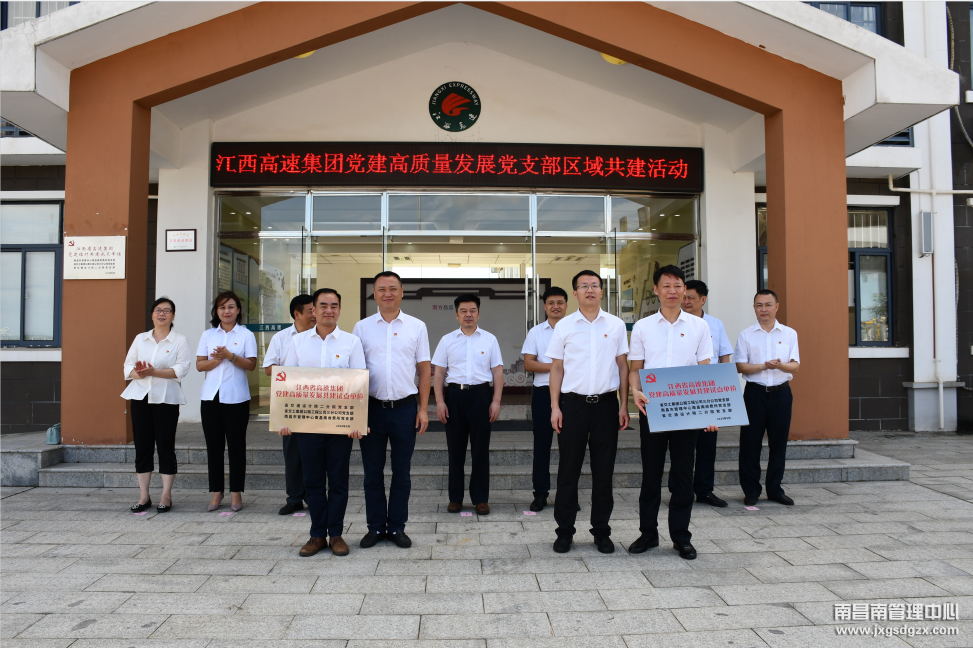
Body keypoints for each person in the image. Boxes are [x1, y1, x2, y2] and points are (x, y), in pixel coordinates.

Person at [628, 265, 717, 561]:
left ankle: (681, 537)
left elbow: (705, 370)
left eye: (677, 285)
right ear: (656, 290)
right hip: (653, 408)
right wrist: (634, 391)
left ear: (684, 290)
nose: (672, 291)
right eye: (666, 285)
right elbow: (635, 369)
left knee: (683, 475)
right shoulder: (643, 327)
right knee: (651, 474)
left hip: (686, 410)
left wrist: (709, 411)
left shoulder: (699, 327)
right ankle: (648, 534)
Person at [278, 288, 366, 557]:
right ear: (314, 310)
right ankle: (317, 535)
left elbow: (359, 382)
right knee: (313, 481)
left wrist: (358, 421)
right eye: (323, 305)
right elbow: (287, 380)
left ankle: (336, 534)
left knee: (338, 481)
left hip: (340, 424)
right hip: (308, 424)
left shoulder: (351, 342)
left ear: (339, 309)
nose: (329, 310)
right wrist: (284, 419)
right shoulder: (298, 342)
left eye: (334, 305)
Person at [546, 270, 629, 554]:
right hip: (573, 406)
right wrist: (555, 407)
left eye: (594, 285)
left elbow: (623, 366)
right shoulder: (564, 326)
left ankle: (601, 531)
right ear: (575, 293)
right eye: (584, 286)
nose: (590, 290)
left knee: (603, 472)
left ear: (602, 291)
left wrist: (623, 404)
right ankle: (564, 531)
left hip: (606, 405)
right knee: (568, 471)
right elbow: (557, 368)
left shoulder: (616, 325)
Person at [352, 271, 431, 549]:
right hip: (371, 409)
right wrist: (355, 413)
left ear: (402, 292)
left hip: (405, 409)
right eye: (382, 289)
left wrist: (423, 409)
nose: (388, 293)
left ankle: (397, 527)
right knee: (372, 473)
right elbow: (354, 371)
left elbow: (424, 371)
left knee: (402, 473)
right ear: (374, 293)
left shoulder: (417, 326)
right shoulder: (361, 327)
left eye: (393, 288)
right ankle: (375, 527)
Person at [433, 293, 503, 516]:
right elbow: (439, 373)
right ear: (456, 315)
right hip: (454, 396)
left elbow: (497, 372)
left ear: (478, 313)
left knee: (480, 450)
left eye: (472, 310)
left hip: (481, 396)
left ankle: (481, 499)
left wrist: (496, 401)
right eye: (463, 311)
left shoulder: (489, 340)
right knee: (456, 450)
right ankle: (455, 498)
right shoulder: (447, 340)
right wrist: (440, 402)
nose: (468, 314)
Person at [121, 297, 192, 513]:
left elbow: (181, 369)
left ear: (173, 316)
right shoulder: (140, 339)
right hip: (140, 397)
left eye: (167, 311)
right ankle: (144, 496)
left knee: (165, 446)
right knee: (142, 447)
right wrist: (140, 373)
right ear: (152, 314)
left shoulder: (179, 340)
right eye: (158, 310)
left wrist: (155, 372)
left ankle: (166, 495)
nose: (162, 314)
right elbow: (127, 367)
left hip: (166, 399)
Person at [735, 289, 801, 507]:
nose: (764, 309)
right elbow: (740, 366)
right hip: (755, 393)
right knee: (750, 444)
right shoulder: (746, 335)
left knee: (778, 443)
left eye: (768, 305)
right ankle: (751, 490)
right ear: (754, 308)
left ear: (777, 307)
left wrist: (780, 365)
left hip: (781, 393)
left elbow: (795, 365)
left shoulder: (789, 334)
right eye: (759, 305)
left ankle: (775, 489)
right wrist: (764, 366)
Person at [196, 291, 257, 512]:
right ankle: (216, 492)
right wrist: (217, 360)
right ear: (217, 311)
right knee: (214, 446)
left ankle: (236, 492)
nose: (227, 311)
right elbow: (199, 365)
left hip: (237, 397)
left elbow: (251, 365)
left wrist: (230, 356)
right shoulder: (208, 335)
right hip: (210, 397)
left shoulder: (246, 335)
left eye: (231, 307)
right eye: (222, 307)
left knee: (236, 446)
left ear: (238, 310)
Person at [676, 279, 734, 508]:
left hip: (710, 391)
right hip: (683, 392)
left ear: (703, 299)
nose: (686, 301)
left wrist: (727, 390)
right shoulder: (676, 323)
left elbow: (724, 356)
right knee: (682, 446)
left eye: (691, 298)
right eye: (684, 297)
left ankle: (704, 490)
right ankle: (679, 491)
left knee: (707, 443)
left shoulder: (715, 325)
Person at [263, 294, 315, 515]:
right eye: (311, 310)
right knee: (292, 452)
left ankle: (314, 496)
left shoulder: (321, 336)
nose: (315, 314)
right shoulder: (281, 338)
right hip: (290, 402)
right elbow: (269, 369)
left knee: (314, 452)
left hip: (317, 402)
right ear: (297, 314)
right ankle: (294, 498)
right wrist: (295, 375)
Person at [522, 286, 568, 512]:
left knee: (569, 447)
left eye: (560, 302)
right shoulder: (536, 332)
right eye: (551, 303)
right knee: (542, 444)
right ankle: (540, 493)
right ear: (544, 306)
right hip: (542, 394)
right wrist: (557, 367)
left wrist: (553, 367)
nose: (555, 306)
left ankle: (567, 495)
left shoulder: (575, 329)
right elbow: (529, 363)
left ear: (566, 305)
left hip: (570, 394)